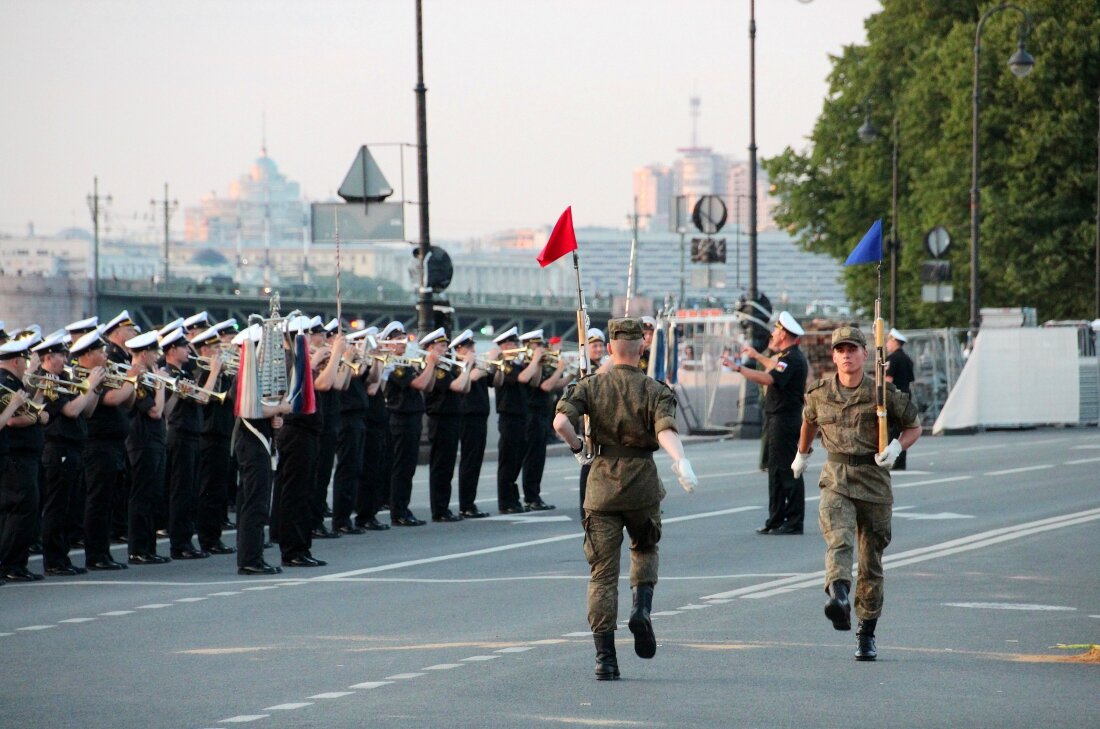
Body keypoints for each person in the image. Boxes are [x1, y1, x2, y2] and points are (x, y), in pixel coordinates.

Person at [553, 317, 699, 681]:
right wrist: (681, 461)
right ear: (642, 348)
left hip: (601, 485)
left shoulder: (590, 386)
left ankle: (605, 659)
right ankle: (641, 608)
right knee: (645, 549)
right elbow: (665, 431)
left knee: (602, 575)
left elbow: (559, 423)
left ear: (611, 348)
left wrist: (578, 447)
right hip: (642, 486)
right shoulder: (655, 389)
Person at [793, 325, 921, 661]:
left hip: (874, 483)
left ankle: (866, 633)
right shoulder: (819, 393)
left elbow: (914, 425)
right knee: (839, 540)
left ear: (866, 354)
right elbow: (809, 421)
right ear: (833, 356)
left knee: (870, 563)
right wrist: (802, 454)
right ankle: (838, 595)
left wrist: (896, 447)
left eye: (852, 349)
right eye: (840, 350)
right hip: (836, 477)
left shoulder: (882, 393)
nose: (846, 355)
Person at [726, 311, 809, 535]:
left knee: (786, 471)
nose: (772, 333)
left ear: (783, 333)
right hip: (778, 418)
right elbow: (774, 365)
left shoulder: (791, 359)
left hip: (785, 420)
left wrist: (739, 369)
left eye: (775, 330)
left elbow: (769, 377)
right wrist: (756, 355)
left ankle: (793, 521)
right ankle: (776, 518)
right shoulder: (787, 357)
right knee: (776, 471)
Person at [34, 332, 104, 575]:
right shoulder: (47, 381)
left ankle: (62, 557)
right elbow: (71, 411)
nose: (66, 359)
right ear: (48, 358)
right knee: (57, 507)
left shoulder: (65, 377)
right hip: (58, 449)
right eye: (61, 355)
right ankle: (53, 560)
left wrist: (93, 390)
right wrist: (90, 387)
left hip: (74, 447)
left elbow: (88, 411)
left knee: (70, 506)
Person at [78, 328, 140, 571]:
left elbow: (129, 400)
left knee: (109, 500)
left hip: (114, 445)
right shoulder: (87, 375)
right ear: (88, 354)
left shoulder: (104, 372)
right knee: (98, 501)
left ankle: (103, 552)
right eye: (100, 351)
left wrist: (132, 383)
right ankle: (95, 554)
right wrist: (131, 379)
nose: (105, 355)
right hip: (98, 444)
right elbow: (112, 399)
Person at [0, 336, 49, 581]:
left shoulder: (14, 382)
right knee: (20, 511)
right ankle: (10, 564)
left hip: (21, 456)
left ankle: (16, 563)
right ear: (18, 361)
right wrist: (32, 413)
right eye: (26, 359)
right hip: (15, 457)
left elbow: (29, 412)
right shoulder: (4, 383)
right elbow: (9, 420)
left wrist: (38, 395)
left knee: (27, 510)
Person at [123, 330, 172, 565]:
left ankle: (149, 548)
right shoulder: (138, 378)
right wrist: (161, 386)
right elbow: (155, 411)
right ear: (143, 353)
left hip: (155, 440)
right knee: (142, 495)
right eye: (154, 352)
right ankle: (138, 548)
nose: (157, 356)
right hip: (142, 441)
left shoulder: (149, 375)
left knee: (153, 495)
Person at [383, 322, 439, 526]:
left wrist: (428, 366)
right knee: (402, 466)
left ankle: (403, 507)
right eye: (397, 340)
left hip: (413, 417)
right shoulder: (394, 364)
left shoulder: (407, 362)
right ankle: (398, 511)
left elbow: (428, 385)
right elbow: (418, 384)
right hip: (401, 418)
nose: (402, 343)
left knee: (409, 467)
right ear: (387, 344)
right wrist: (431, 364)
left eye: (403, 339)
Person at [423, 328, 475, 522]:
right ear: (430, 348)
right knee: (440, 465)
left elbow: (465, 387)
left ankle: (444, 507)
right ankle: (439, 509)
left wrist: (464, 368)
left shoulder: (447, 366)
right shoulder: (436, 369)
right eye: (442, 346)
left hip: (452, 417)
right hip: (440, 418)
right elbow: (456, 386)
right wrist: (467, 366)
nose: (446, 349)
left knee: (447, 465)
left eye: (446, 345)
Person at [490, 327, 543, 514]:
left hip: (522, 416)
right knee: (508, 461)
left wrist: (539, 364)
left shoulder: (519, 364)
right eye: (510, 343)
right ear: (502, 346)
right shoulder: (505, 364)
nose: (514, 346)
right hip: (508, 417)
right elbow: (522, 379)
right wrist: (535, 359)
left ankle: (513, 499)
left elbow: (534, 382)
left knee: (516, 460)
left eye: (515, 343)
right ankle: (506, 502)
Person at [453, 330, 499, 518]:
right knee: (469, 461)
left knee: (476, 461)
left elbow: (493, 381)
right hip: (467, 417)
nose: (473, 350)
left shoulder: (478, 365)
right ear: (459, 350)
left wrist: (497, 365)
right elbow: (471, 377)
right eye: (468, 347)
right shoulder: (459, 366)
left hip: (481, 417)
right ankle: (466, 504)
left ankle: (470, 502)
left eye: (473, 347)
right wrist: (486, 362)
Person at [519, 329, 561, 511]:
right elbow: (542, 386)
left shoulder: (536, 363)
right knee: (533, 458)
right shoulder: (527, 363)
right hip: (532, 414)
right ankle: (531, 496)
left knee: (538, 458)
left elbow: (545, 383)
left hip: (542, 414)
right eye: (538, 345)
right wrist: (559, 368)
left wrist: (565, 373)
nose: (542, 349)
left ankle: (533, 495)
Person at [885, 328, 915, 471]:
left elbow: (888, 381)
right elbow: (909, 380)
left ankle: (890, 461)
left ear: (894, 341)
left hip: (894, 398)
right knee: (902, 431)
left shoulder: (892, 359)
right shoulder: (907, 359)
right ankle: (900, 463)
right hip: (906, 397)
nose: (886, 344)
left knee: (891, 432)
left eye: (888, 341)